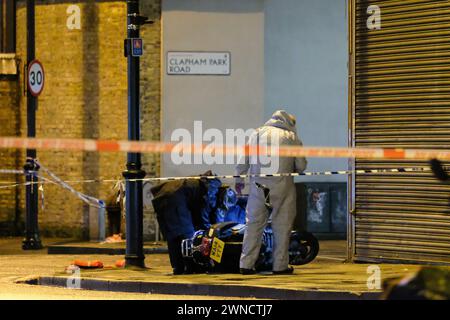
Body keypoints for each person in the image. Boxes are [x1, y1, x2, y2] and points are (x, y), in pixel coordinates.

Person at [235, 110, 307, 275]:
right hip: (283, 188)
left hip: (259, 188)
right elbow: (301, 166)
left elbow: (242, 162)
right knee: (282, 227)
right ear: (289, 122)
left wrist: (239, 181)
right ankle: (280, 266)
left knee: (253, 225)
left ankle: (246, 264)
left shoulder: (256, 134)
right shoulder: (291, 137)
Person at [151, 171, 221, 274]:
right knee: (187, 234)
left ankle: (178, 267)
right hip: (176, 200)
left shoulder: (195, 182)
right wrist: (210, 230)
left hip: (162, 197)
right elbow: (203, 215)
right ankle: (191, 266)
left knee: (173, 235)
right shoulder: (208, 188)